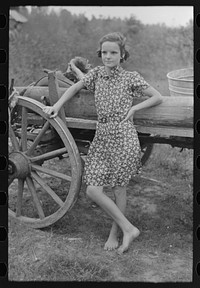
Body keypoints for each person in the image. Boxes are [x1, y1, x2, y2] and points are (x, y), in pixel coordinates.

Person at [43, 32, 163, 254]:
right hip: (102, 136)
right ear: (100, 54)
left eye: (113, 53)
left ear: (122, 55)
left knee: (119, 188)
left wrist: (135, 108)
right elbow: (75, 88)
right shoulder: (96, 75)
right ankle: (129, 228)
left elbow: (157, 96)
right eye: (105, 53)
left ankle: (115, 234)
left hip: (123, 136)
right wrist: (56, 106)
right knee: (93, 190)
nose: (108, 57)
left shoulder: (131, 78)